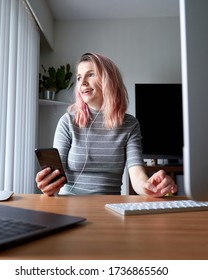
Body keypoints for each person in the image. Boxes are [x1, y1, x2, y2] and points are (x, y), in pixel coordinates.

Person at [35, 52, 176, 197]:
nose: (82, 82)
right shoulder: (67, 122)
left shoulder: (129, 124)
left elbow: (137, 175)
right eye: (79, 77)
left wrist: (150, 187)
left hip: (110, 209)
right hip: (69, 206)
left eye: (90, 75)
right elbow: (55, 181)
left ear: (109, 80)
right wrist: (49, 186)